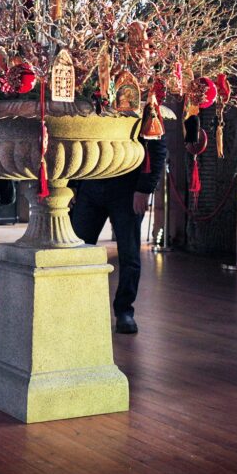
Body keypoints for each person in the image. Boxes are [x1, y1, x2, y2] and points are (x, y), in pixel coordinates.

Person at [69, 133, 167, 334]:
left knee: (129, 254)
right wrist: (72, 184)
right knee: (77, 252)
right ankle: (80, 308)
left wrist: (144, 189)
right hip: (90, 184)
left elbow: (157, 148)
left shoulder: (144, 106)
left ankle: (124, 311)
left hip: (127, 189)